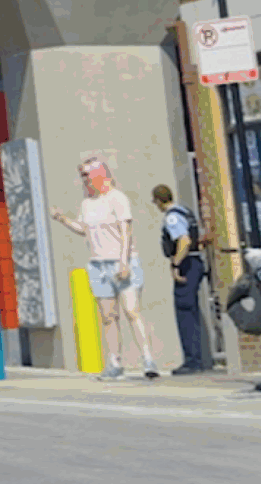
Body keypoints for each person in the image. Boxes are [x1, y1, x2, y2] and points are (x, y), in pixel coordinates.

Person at [51, 156, 158, 379]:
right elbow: (84, 229)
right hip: (98, 264)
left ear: (100, 174)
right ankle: (114, 363)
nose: (84, 180)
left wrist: (124, 261)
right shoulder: (87, 203)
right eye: (82, 176)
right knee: (109, 316)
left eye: (86, 175)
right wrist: (62, 218)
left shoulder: (117, 198)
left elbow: (126, 231)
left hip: (121, 261)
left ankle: (148, 359)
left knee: (131, 311)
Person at [153, 183, 211, 375]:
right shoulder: (185, 211)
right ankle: (197, 359)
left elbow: (184, 240)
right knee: (190, 310)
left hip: (187, 265)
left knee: (184, 311)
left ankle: (192, 361)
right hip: (195, 262)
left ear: (159, 201)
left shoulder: (172, 217)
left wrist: (176, 264)